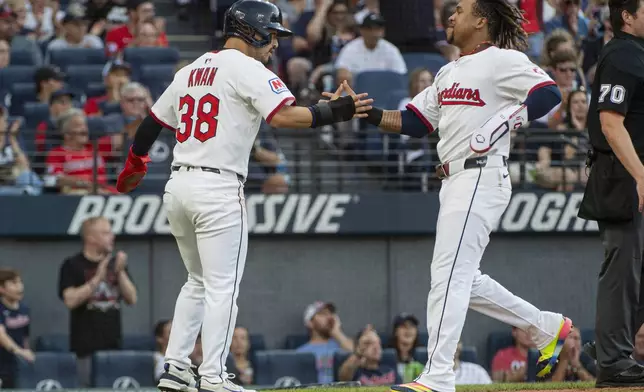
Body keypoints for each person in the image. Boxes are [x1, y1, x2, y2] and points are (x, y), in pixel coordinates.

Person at [112, 1, 372, 392]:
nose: (274, 46)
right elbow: (284, 116)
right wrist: (337, 112)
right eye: (271, 35)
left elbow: (151, 124)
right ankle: (213, 376)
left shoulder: (192, 67)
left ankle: (177, 367)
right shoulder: (248, 68)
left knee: (196, 282)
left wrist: (135, 164)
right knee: (222, 287)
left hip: (179, 185)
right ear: (252, 31)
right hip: (217, 187)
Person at [332, 0, 573, 390]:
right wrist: (368, 112)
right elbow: (414, 121)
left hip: (479, 174)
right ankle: (546, 326)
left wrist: (507, 120)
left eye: (459, 9)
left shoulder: (500, 59)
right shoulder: (448, 71)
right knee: (465, 279)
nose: (450, 15)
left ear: (481, 20)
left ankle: (439, 375)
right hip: (454, 180)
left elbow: (547, 93)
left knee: (447, 278)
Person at [577, 0, 644, 385]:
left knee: (636, 270)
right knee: (622, 267)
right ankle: (614, 361)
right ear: (627, 16)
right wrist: (640, 175)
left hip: (634, 173)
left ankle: (606, 346)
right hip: (623, 176)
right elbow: (610, 122)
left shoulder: (637, 54)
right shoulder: (622, 55)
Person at [0, 268, 34, 389]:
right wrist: (18, 351)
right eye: (14, 283)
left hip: (17, 367)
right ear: (2, 289)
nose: (20, 287)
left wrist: (26, 352)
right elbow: (1, 335)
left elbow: (25, 337)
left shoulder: (25, 309)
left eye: (20, 282)